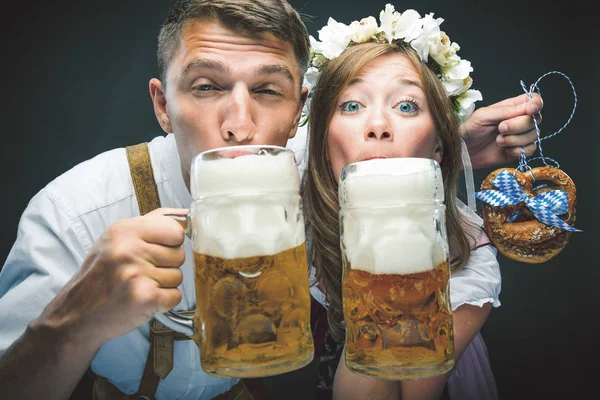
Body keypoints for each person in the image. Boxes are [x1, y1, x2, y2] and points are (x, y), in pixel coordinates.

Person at [0, 1, 541, 399]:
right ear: (163, 106)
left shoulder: (311, 165)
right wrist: (72, 323)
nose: (240, 126)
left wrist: (450, 147)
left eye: (267, 91)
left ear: (299, 109)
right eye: (207, 86)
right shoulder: (77, 211)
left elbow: (370, 155)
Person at [301, 5, 511, 400]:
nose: (378, 126)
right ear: (322, 144)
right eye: (351, 105)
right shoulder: (294, 212)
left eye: (406, 106)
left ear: (438, 148)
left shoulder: (468, 255)